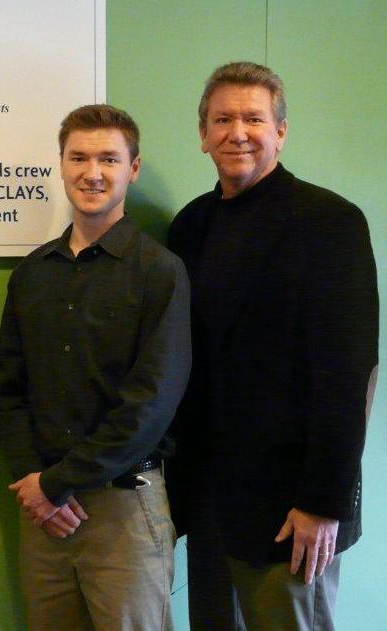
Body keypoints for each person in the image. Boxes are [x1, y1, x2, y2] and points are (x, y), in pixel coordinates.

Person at [167, 61, 379, 631]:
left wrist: (324, 503)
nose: (238, 132)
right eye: (223, 119)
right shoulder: (189, 226)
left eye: (254, 119)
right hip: (211, 502)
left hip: (292, 510)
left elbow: (349, 374)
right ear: (203, 133)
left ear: (280, 131)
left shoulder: (330, 222)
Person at [0, 104, 191, 631]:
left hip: (124, 508)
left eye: (108, 158)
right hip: (43, 512)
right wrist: (35, 483)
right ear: (61, 165)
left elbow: (151, 402)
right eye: (78, 157)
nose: (92, 172)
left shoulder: (160, 273)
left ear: (134, 168)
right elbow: (9, 392)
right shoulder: (32, 274)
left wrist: (60, 481)